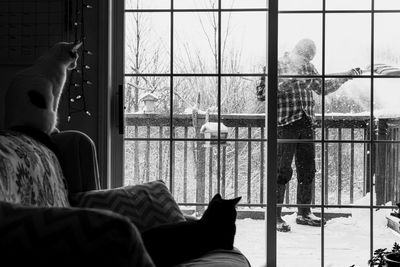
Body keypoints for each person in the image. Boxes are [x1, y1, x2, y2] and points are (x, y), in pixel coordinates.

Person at [273, 38, 362, 232]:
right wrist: (289, 82)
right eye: (304, 57)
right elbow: (263, 93)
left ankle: (304, 213)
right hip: (285, 124)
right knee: (281, 171)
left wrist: (346, 76)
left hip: (306, 123)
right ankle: (275, 216)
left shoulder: (309, 68)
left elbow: (322, 88)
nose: (306, 62)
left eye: (309, 59)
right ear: (296, 51)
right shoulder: (276, 64)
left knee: (307, 169)